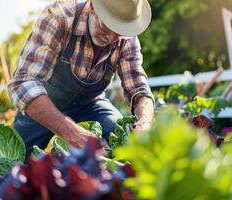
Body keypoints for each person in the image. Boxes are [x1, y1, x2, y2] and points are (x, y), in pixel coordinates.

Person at [9, 0, 155, 155]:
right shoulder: (59, 18)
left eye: (118, 31)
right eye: (106, 26)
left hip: (90, 105)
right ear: (93, 7)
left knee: (116, 139)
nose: (112, 38)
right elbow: (24, 82)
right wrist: (70, 132)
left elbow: (138, 89)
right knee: (15, 159)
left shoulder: (126, 39)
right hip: (44, 104)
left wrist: (144, 122)